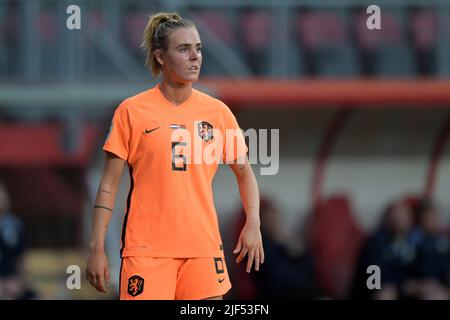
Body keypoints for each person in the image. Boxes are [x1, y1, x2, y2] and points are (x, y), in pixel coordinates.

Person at [86, 12, 264, 300]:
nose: (195, 57)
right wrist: (96, 249)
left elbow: (245, 174)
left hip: (203, 250)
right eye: (183, 49)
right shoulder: (132, 112)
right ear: (160, 57)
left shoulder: (218, 113)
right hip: (147, 252)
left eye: (198, 48)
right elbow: (108, 185)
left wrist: (253, 223)